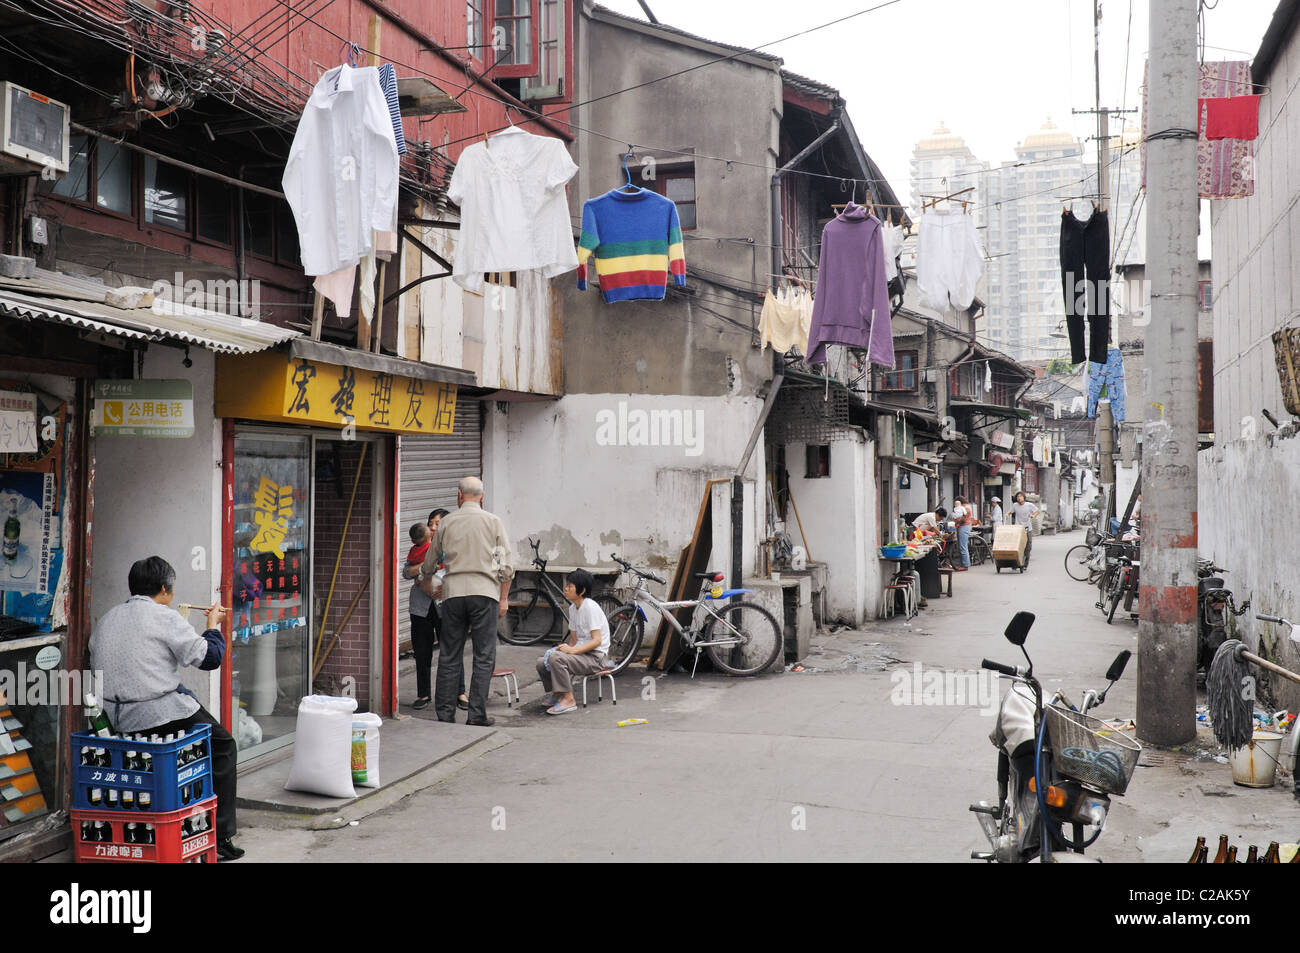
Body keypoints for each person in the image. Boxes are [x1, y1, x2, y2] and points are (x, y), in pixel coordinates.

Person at [88, 556, 242, 860]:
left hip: (114, 718)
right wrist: (213, 626)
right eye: (171, 591)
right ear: (164, 589)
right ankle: (221, 836)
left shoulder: (108, 618)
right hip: (156, 714)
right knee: (223, 746)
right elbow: (210, 658)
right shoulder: (163, 615)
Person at [421, 477, 513, 726]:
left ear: (460, 495)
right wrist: (503, 596)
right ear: (481, 496)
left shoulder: (447, 522)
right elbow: (505, 566)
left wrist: (429, 583)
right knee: (484, 655)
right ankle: (476, 715)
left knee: (450, 653)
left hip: (453, 593)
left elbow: (429, 563)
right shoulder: (493, 522)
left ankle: (445, 713)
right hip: (485, 593)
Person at [536, 569, 610, 715]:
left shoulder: (590, 607)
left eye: (570, 586)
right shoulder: (572, 608)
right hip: (582, 654)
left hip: (595, 657)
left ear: (581, 590)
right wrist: (564, 649)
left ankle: (569, 700)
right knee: (542, 661)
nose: (566, 589)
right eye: (566, 585)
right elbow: (574, 640)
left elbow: (597, 641)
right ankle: (559, 694)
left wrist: (572, 651)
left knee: (556, 659)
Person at [952, 497, 971, 571]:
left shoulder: (964, 508)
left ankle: (965, 565)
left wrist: (955, 522)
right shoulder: (967, 506)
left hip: (964, 527)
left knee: (963, 546)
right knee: (963, 546)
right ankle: (964, 564)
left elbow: (962, 519)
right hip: (965, 526)